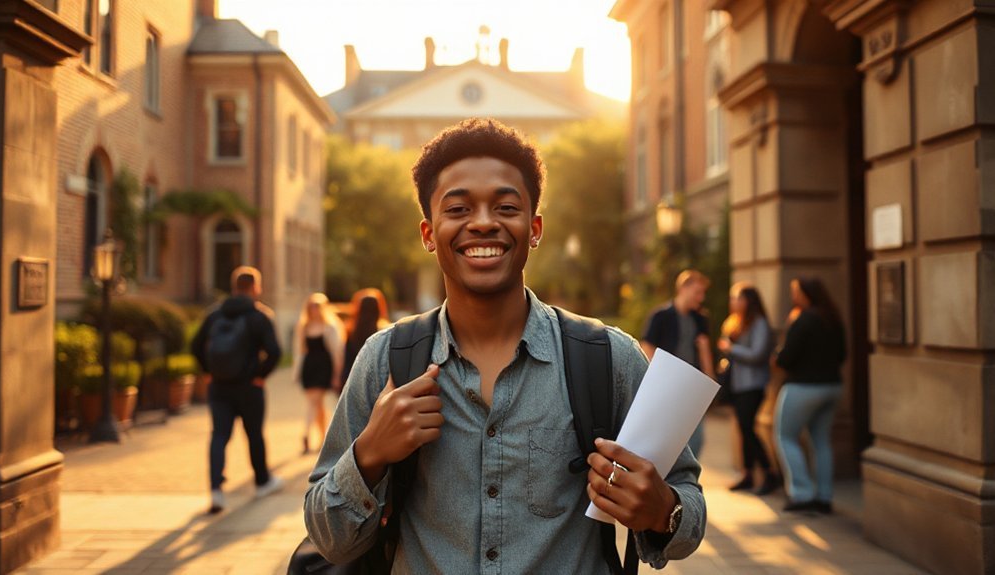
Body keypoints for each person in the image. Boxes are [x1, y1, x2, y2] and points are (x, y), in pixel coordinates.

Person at [305, 118, 705, 572]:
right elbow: (326, 539)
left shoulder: (607, 358)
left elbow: (688, 512)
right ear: (428, 234)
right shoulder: (386, 361)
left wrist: (660, 510)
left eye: (506, 207)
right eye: (457, 209)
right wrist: (369, 454)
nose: (482, 223)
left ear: (534, 229)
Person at [191, 266, 283, 514]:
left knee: (219, 435)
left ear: (234, 287)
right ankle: (262, 481)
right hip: (249, 387)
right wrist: (260, 375)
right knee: (254, 434)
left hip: (219, 387)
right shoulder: (259, 316)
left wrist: (208, 371)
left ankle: (216, 491)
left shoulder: (215, 314)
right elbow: (274, 352)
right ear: (255, 287)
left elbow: (196, 345)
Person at [773, 277, 846, 514]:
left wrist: (787, 332)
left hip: (802, 387)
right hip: (832, 387)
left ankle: (802, 494)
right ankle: (824, 497)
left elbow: (785, 359)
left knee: (785, 436)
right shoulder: (833, 318)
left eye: (796, 292)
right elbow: (843, 354)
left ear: (807, 294)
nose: (793, 297)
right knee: (821, 442)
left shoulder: (802, 320)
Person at [640, 270, 715, 457]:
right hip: (667, 384)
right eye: (698, 292)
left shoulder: (700, 319)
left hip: (694, 384)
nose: (702, 297)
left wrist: (710, 381)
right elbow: (647, 347)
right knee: (667, 435)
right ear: (683, 288)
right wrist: (656, 379)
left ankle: (688, 479)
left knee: (696, 439)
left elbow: (704, 350)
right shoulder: (660, 316)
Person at [717, 282, 779, 495]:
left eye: (737, 298)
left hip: (753, 384)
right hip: (738, 384)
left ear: (748, 301)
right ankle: (748, 474)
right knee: (743, 428)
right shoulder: (736, 321)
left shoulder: (759, 323)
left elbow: (758, 354)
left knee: (748, 427)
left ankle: (770, 473)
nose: (733, 302)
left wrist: (732, 349)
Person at [294, 292, 345, 454]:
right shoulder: (304, 326)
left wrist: (337, 374)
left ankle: (306, 434)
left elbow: (337, 351)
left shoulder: (330, 326)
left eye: (317, 306)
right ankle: (323, 438)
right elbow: (299, 351)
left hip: (324, 367)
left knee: (314, 402)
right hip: (309, 368)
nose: (314, 309)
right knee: (317, 404)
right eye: (311, 306)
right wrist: (297, 372)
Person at [341, 287, 390, 384]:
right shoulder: (384, 330)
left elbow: (346, 357)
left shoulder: (350, 330)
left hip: (352, 376)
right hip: (376, 378)